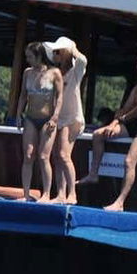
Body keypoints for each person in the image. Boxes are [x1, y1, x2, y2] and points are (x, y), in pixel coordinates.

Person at [78, 51, 137, 211]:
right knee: (99, 134)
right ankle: (93, 174)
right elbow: (124, 109)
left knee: (129, 161)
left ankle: (120, 203)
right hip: (135, 123)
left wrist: (123, 120)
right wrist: (113, 124)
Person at [16, 42, 64, 202]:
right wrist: (18, 114)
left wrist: (55, 116)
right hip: (30, 118)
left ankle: (46, 194)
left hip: (47, 120)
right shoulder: (27, 73)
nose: (27, 59)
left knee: (43, 156)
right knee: (28, 155)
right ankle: (26, 194)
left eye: (30, 56)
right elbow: (23, 95)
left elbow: (59, 96)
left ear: (39, 56)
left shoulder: (54, 73)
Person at [44, 36, 87, 204]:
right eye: (56, 52)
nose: (57, 55)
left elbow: (83, 60)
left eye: (60, 51)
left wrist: (73, 48)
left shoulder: (76, 70)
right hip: (59, 118)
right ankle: (61, 194)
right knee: (56, 156)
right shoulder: (56, 73)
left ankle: (72, 194)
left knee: (64, 154)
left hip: (73, 118)